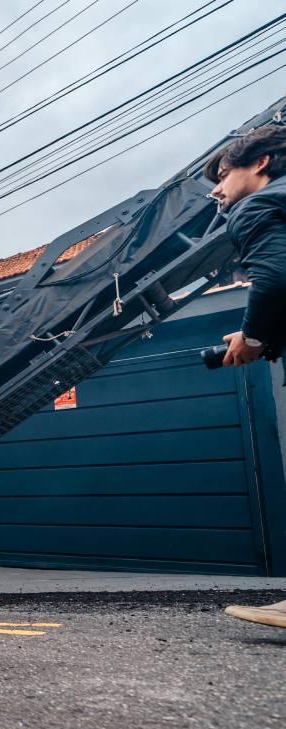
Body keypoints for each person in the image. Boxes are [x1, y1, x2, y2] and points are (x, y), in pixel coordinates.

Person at [204, 124, 286, 629]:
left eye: (223, 174)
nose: (217, 189)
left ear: (259, 164)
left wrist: (253, 338)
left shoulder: (254, 206)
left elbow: (276, 277)